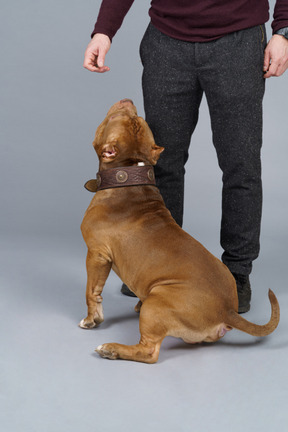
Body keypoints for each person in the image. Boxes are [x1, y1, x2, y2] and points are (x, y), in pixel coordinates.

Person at [83, 1, 288, 313]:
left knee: (241, 167)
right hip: (167, 43)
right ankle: (156, 263)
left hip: (239, 42)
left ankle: (236, 274)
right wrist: (103, 31)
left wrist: (283, 32)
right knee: (159, 165)